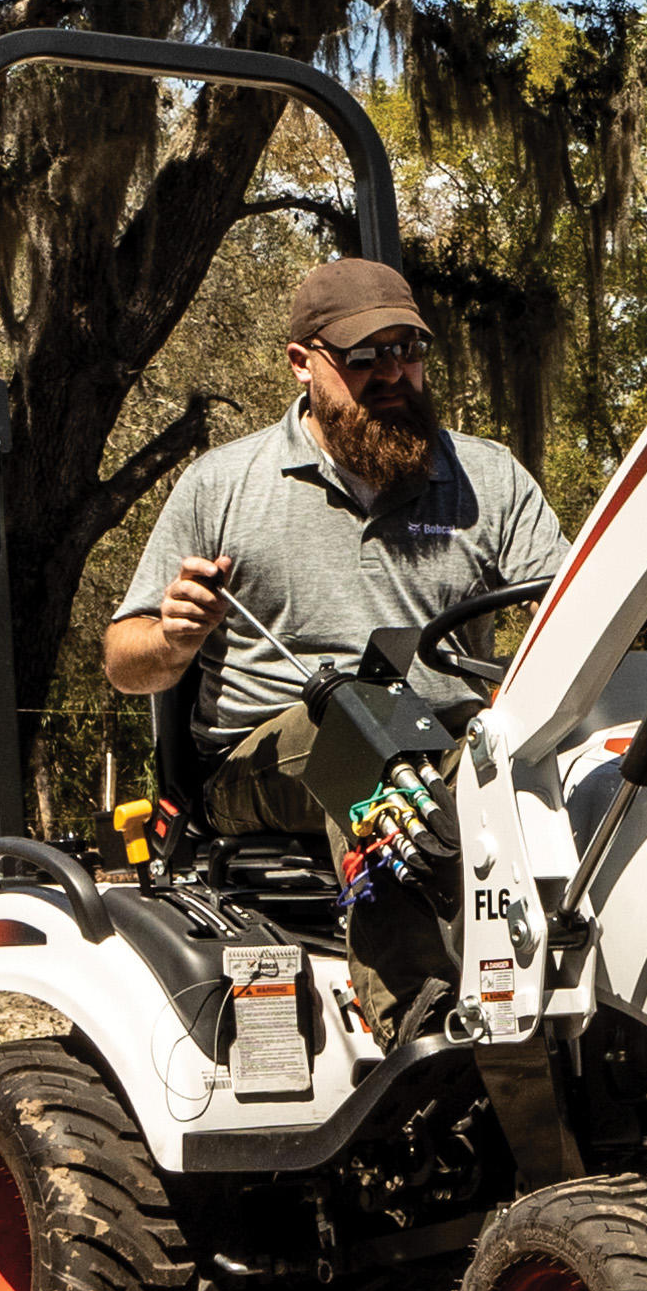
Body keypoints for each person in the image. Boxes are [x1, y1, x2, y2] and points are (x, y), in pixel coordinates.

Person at [104, 257, 568, 1047]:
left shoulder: (484, 476)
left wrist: (623, 587)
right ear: (302, 361)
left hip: (447, 740)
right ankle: (417, 1024)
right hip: (268, 757)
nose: (394, 373)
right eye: (364, 357)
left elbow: (568, 605)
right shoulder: (224, 485)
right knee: (356, 731)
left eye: (408, 350)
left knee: (571, 752)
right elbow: (124, 659)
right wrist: (174, 634)